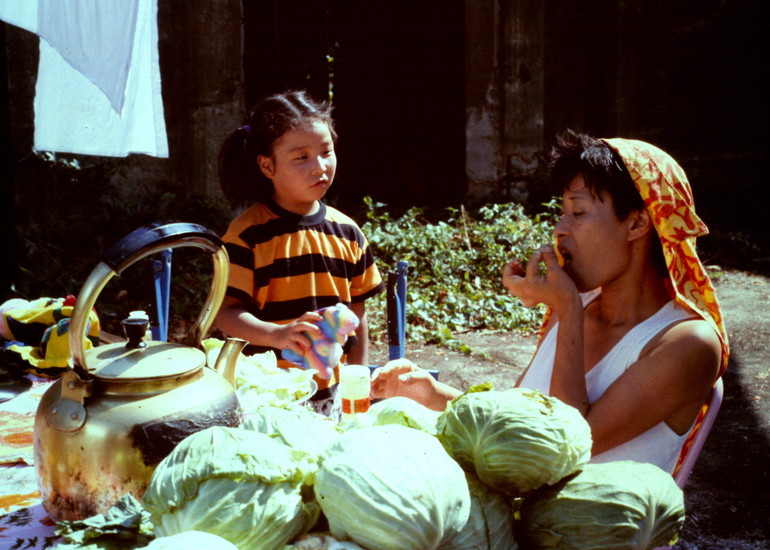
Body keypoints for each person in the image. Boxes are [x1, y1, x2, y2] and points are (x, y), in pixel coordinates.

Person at [371, 130, 729, 474]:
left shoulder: (689, 343)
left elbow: (559, 445)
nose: (559, 229)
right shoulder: (580, 308)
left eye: (578, 212)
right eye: (562, 213)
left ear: (637, 223)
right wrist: (433, 394)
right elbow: (514, 428)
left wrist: (567, 308)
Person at [215, 90, 384, 418]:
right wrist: (277, 334)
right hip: (267, 397)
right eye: (301, 157)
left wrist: (357, 383)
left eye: (326, 152)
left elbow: (357, 316)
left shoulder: (349, 232)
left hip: (332, 393)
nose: (319, 167)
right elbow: (225, 315)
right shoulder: (247, 235)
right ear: (267, 166)